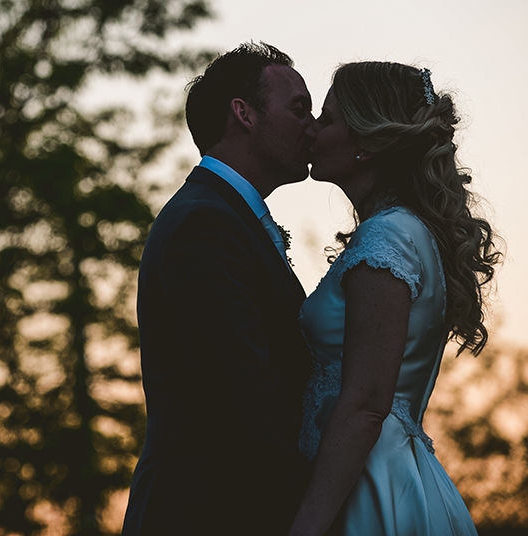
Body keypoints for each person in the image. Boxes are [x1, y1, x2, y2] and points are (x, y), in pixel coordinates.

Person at [289, 62, 501, 536]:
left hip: (369, 486)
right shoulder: (403, 231)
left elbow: (365, 403)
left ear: (365, 141)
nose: (312, 131)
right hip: (380, 472)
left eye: (327, 119)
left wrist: (305, 527)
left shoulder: (387, 237)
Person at [121, 42, 316, 535]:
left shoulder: (221, 216)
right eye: (299, 109)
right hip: (209, 511)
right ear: (243, 114)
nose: (311, 126)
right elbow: (243, 395)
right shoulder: (204, 225)